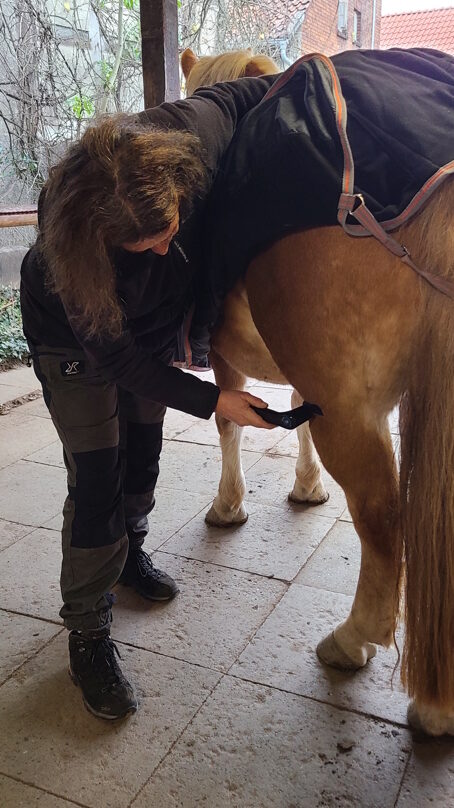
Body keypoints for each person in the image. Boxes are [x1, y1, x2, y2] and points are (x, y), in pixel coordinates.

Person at [20, 73, 278, 720]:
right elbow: (119, 360)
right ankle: (88, 632)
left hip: (149, 330)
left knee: (143, 456)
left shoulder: (182, 140)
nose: (168, 244)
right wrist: (216, 401)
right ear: (102, 238)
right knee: (98, 477)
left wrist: (307, 79)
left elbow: (238, 95)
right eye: (150, 243)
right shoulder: (70, 251)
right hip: (78, 345)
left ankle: (132, 552)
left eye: (171, 227)